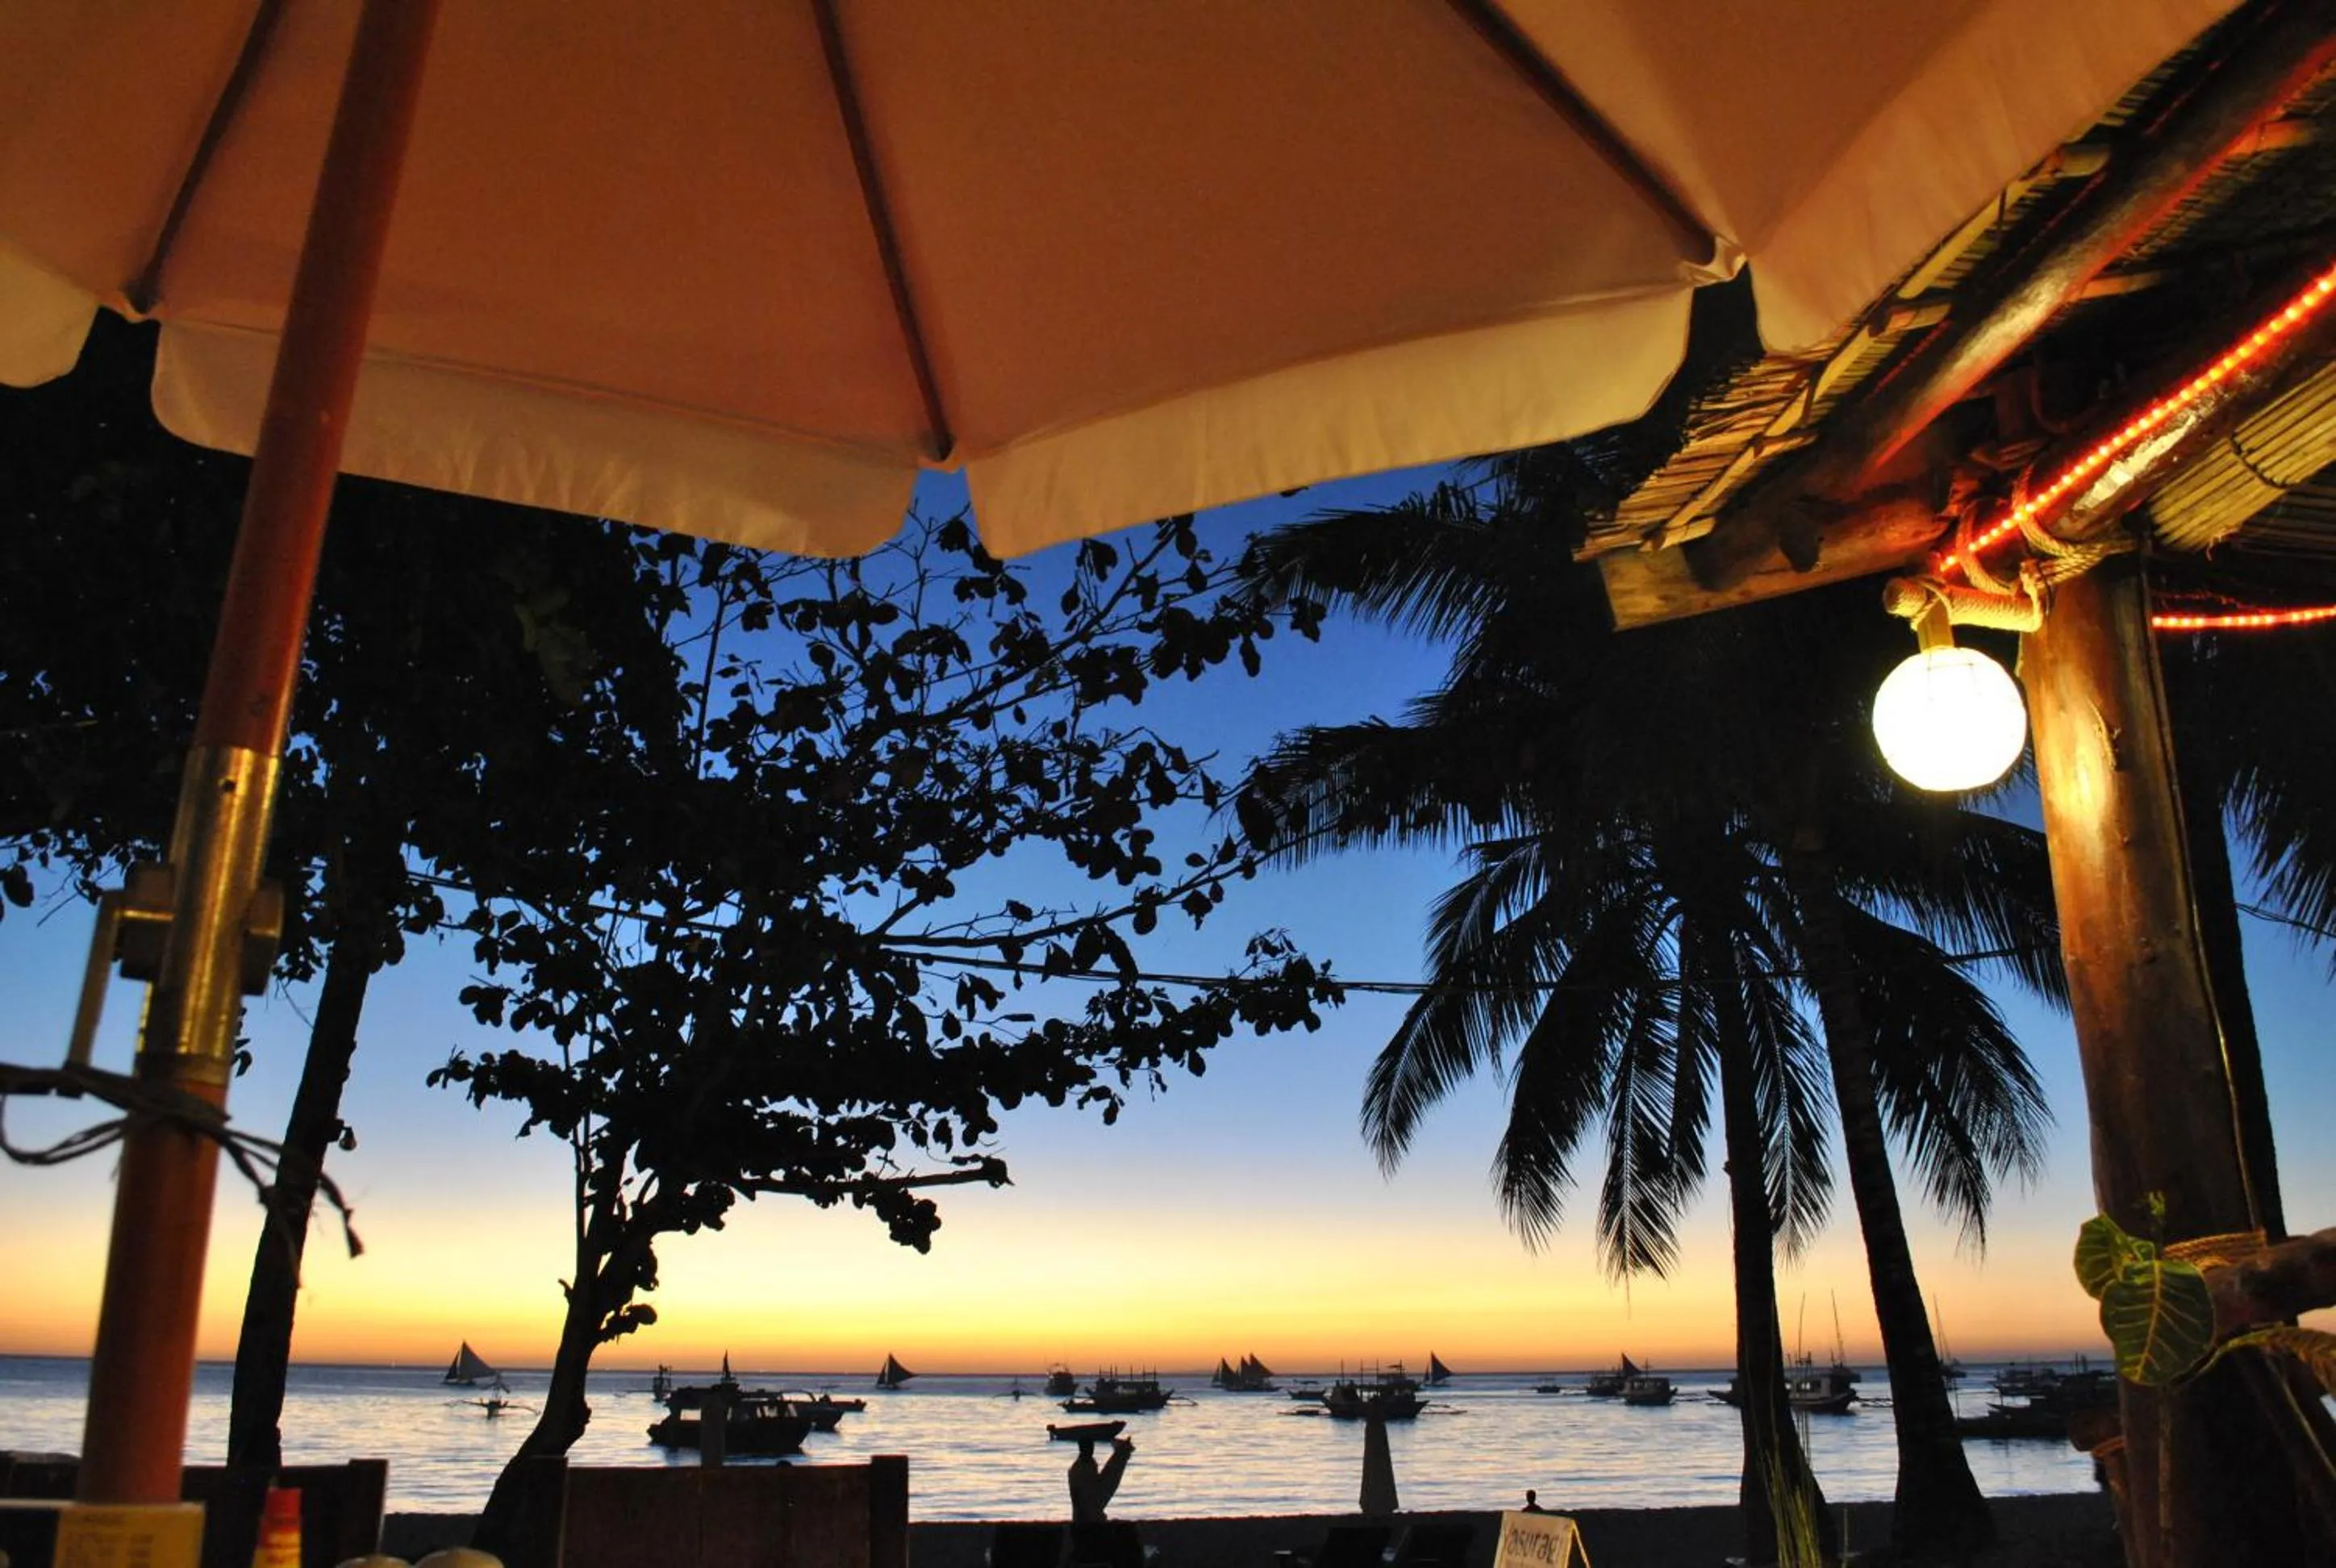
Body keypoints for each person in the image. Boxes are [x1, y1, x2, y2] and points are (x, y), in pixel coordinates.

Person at [1068, 1434, 1135, 1523]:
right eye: (1088, 1448)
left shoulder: (1091, 1463)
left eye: (1092, 1448)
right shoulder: (1077, 1469)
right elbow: (1075, 1493)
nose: (1091, 1450)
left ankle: (1121, 1452)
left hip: (1092, 1505)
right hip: (1083, 1513)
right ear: (1081, 1449)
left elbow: (1102, 1482)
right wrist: (1081, 1513)